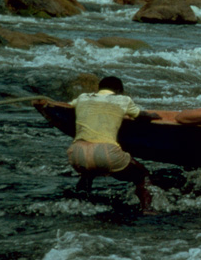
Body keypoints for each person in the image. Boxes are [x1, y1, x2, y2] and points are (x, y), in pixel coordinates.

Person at [35, 76, 159, 212]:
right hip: (106, 153)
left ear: (99, 89)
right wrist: (153, 115)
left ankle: (79, 204)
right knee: (142, 175)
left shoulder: (83, 97)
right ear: (119, 90)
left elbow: (68, 107)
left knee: (88, 173)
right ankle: (147, 209)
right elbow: (140, 115)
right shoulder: (123, 100)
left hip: (77, 153)